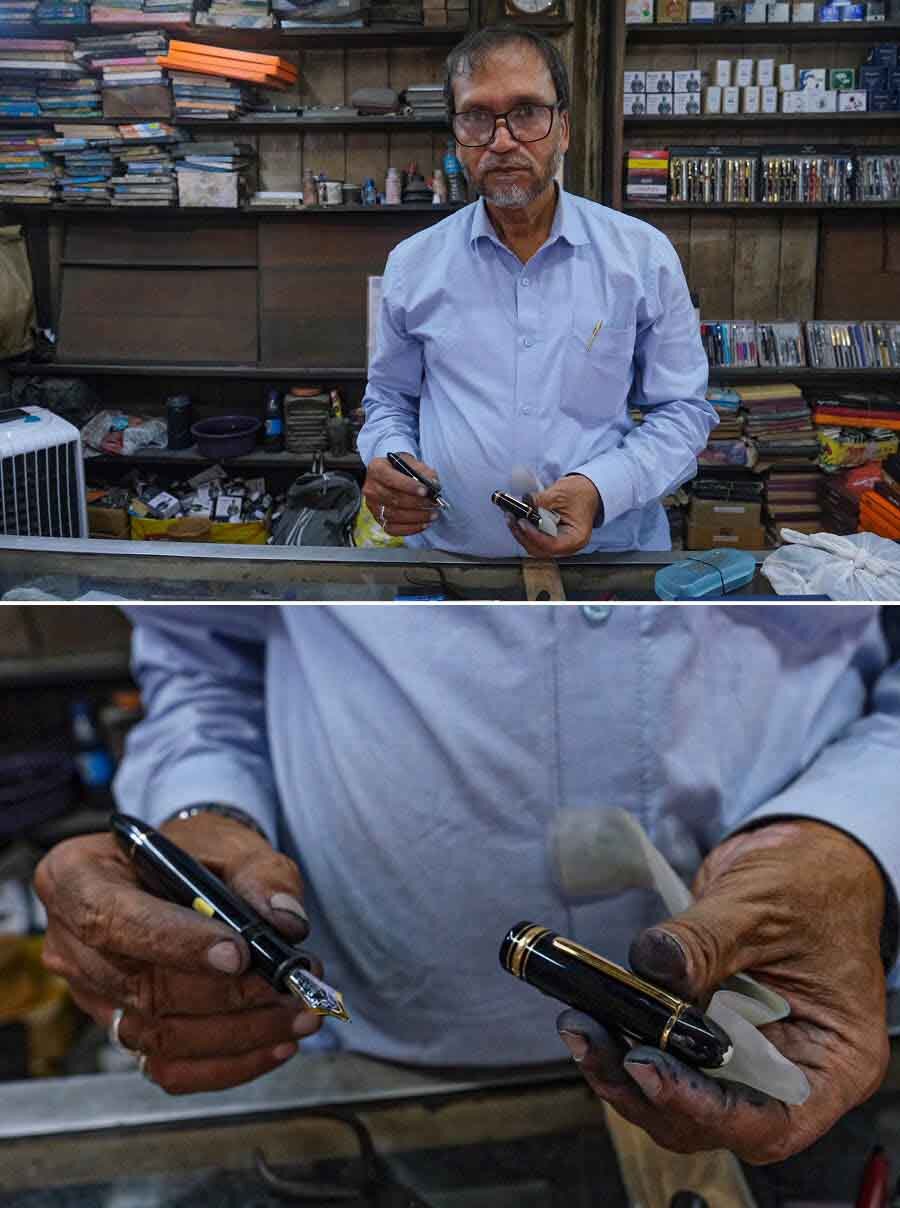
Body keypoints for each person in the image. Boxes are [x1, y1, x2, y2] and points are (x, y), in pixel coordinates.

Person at [34, 605, 899, 1173]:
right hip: (375, 1081)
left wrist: (850, 837)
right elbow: (201, 663)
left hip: (804, 1041)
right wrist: (202, 810)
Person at [358, 27, 717, 559]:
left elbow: (683, 412)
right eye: (477, 117)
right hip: (454, 569)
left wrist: (599, 490)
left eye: (527, 112)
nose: (502, 141)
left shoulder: (641, 257)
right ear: (457, 138)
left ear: (563, 128)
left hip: (605, 565)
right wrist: (392, 462)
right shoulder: (415, 264)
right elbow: (390, 399)